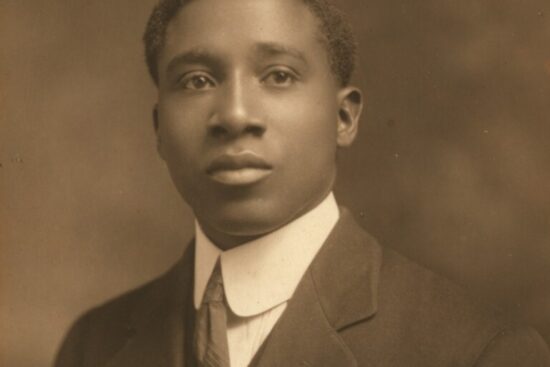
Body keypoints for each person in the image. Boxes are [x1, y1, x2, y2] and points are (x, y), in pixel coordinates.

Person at [54, 0, 550, 366]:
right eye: (198, 80)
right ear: (159, 128)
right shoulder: (92, 345)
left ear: (343, 117)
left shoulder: (481, 352)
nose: (234, 115)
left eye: (279, 75)